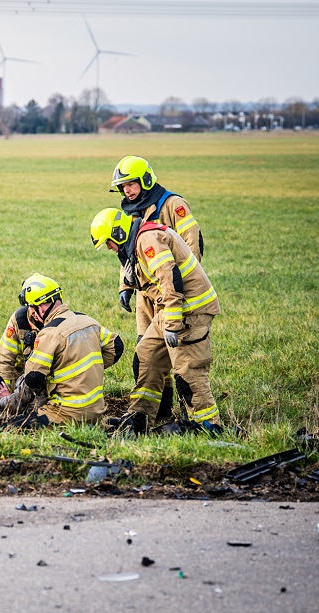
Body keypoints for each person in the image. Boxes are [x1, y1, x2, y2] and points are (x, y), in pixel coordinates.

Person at [90, 208, 222, 435]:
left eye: (109, 243)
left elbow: (170, 279)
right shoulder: (136, 241)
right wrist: (128, 285)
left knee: (188, 371)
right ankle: (140, 416)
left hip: (190, 311)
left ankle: (208, 426)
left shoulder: (147, 239)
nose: (110, 249)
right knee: (146, 357)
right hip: (171, 309)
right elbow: (145, 275)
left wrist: (171, 325)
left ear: (119, 233)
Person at [111, 155, 205, 420]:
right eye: (122, 187)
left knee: (179, 353)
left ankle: (192, 415)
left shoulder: (173, 204)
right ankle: (159, 413)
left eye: (131, 184)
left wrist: (179, 289)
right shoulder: (132, 210)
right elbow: (127, 252)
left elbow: (192, 244)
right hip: (146, 296)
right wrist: (125, 286)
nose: (127, 190)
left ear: (146, 179)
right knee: (147, 353)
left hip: (171, 293)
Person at [0, 273, 123, 430]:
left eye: (33, 308)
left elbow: (33, 379)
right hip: (95, 414)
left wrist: (7, 400)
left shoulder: (50, 332)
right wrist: (88, 372)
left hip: (62, 414)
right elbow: (116, 346)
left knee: (6, 427)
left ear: (41, 306)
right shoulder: (88, 321)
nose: (32, 313)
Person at [0, 276, 42, 420]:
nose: (34, 312)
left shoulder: (56, 325)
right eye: (30, 306)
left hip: (39, 386)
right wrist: (7, 395)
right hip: (18, 383)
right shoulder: (19, 320)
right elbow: (5, 359)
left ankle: (3, 422)